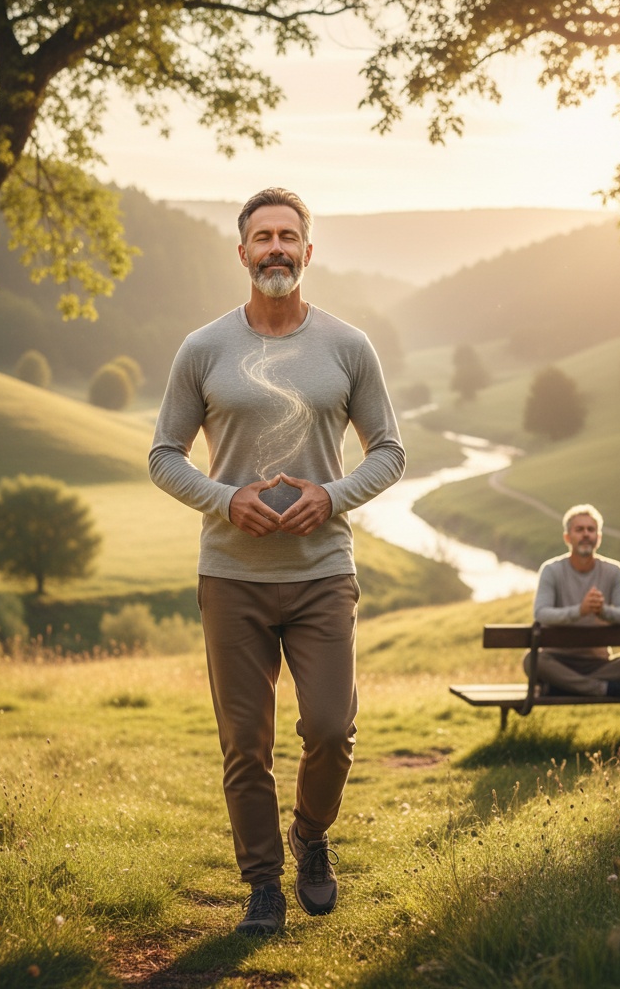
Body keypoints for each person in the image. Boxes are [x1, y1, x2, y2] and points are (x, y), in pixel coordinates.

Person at [148, 187, 405, 936]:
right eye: (262, 237)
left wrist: (333, 496)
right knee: (245, 743)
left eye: (288, 236)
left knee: (330, 728)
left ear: (308, 250)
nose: (275, 249)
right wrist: (226, 500)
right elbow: (164, 455)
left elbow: (389, 450)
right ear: (242, 253)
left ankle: (311, 836)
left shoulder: (348, 346)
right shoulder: (203, 349)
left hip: (325, 570)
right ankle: (262, 883)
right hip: (232, 577)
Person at [528, 504, 620, 700]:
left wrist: (602, 611)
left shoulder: (613, 571)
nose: (586, 534)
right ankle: (603, 689)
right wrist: (580, 611)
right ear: (567, 537)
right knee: (532, 661)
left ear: (598, 538)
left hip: (599, 662)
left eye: (591, 530)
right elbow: (541, 613)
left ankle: (562, 687)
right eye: (579, 529)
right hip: (557, 660)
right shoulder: (551, 570)